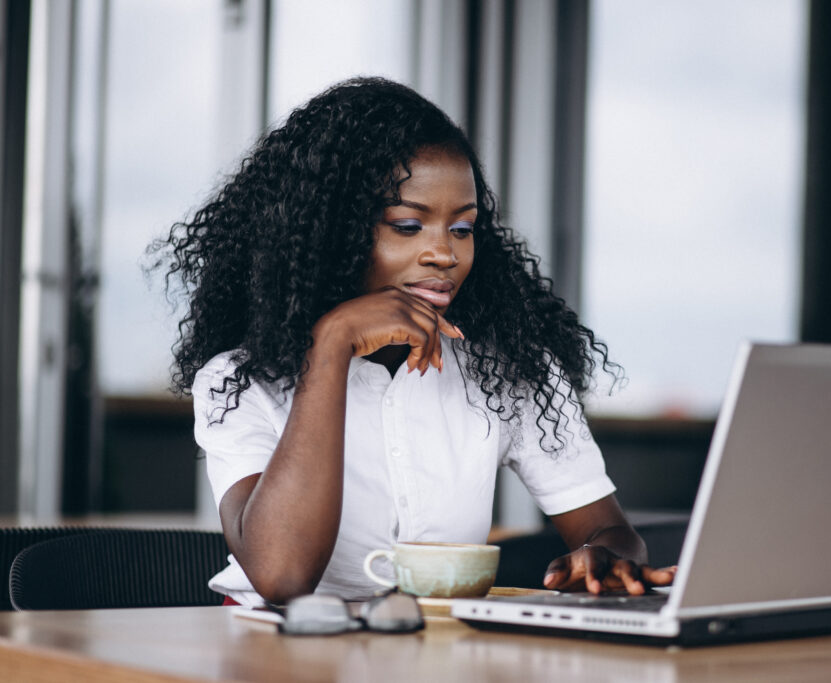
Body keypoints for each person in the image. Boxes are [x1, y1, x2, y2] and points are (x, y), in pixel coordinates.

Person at [152, 76, 675, 606]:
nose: (444, 254)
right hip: (272, 651)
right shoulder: (238, 381)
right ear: (332, 233)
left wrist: (607, 557)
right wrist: (331, 346)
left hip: (434, 647)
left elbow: (609, 531)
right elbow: (282, 577)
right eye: (408, 225)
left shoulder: (510, 372)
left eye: (463, 228)